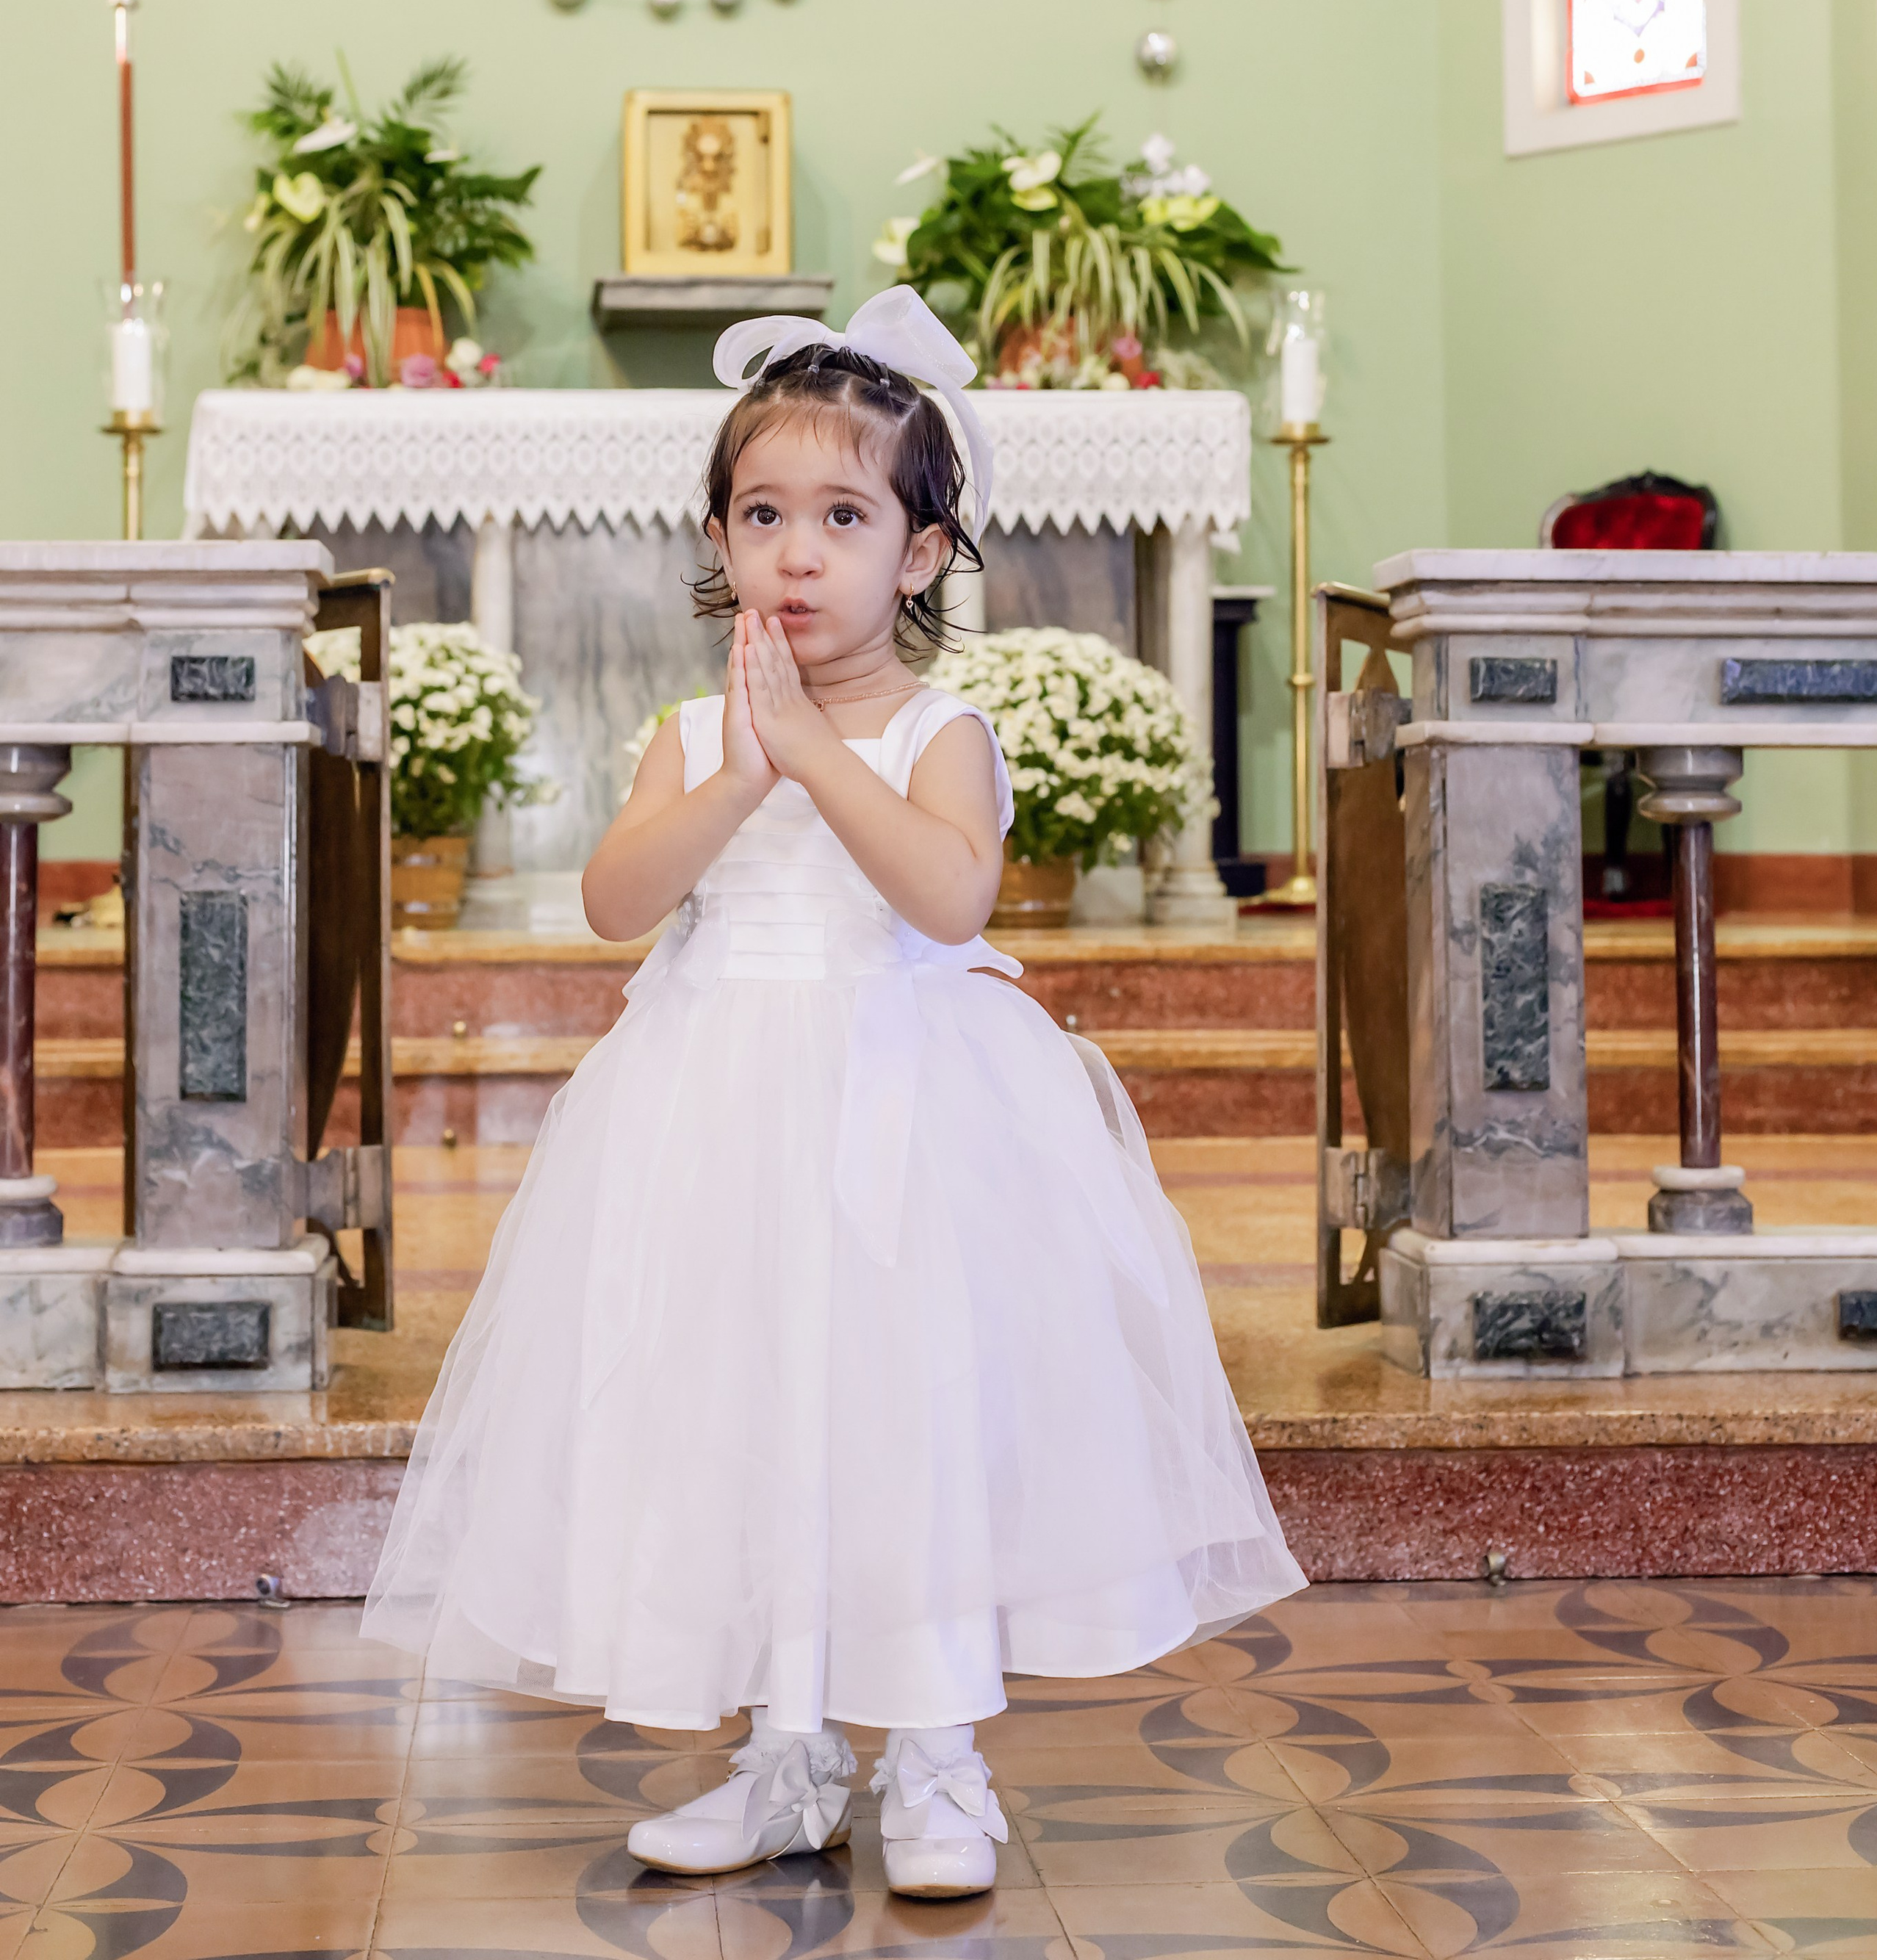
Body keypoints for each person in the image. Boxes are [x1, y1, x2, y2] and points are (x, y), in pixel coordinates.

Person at [361, 288, 1304, 1899]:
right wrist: (743, 764)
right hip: (711, 1117)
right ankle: (781, 1747)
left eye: (843, 517)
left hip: (908, 1113)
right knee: (736, 1411)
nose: (795, 554)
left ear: (921, 555)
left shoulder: (945, 728)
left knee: (902, 1413)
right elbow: (612, 901)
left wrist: (814, 758)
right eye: (762, 515)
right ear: (718, 539)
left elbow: (945, 900)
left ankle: (932, 1750)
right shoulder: (687, 730)